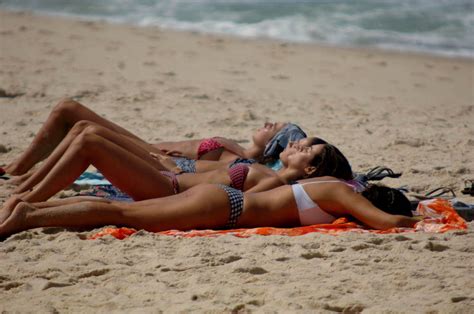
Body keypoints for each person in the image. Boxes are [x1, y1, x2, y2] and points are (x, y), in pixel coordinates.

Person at [0, 135, 352, 223]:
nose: (294, 143)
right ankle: (27, 198)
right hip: (171, 181)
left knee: (90, 142)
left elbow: (247, 205)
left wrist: (173, 174)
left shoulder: (279, 183)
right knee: (88, 137)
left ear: (310, 169)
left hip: (169, 188)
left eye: (305, 148)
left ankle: (29, 199)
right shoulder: (270, 172)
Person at [0, 176, 419, 238]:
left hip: (223, 200)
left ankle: (28, 206)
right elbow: (389, 224)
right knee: (121, 213)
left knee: (122, 208)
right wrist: (421, 216)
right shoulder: (343, 194)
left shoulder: (331, 189)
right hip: (227, 209)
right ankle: (28, 217)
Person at [1, 98, 307, 177]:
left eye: (273, 127)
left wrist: (166, 164)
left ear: (274, 144)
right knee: (69, 112)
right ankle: (19, 167)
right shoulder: (238, 151)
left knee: (70, 111)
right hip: (146, 147)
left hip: (145, 154)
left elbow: (193, 174)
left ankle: (17, 171)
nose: (267, 122)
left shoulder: (241, 162)